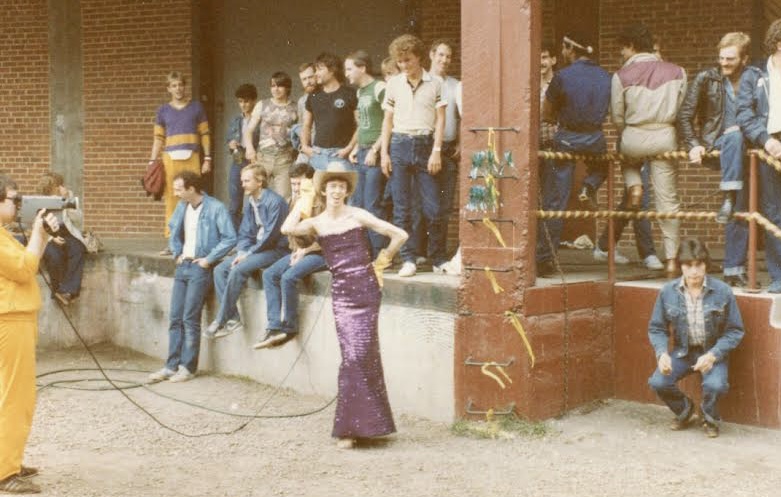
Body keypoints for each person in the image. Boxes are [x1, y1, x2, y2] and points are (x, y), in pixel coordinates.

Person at [281, 162, 408, 448]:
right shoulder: (317, 222)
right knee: (352, 357)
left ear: (347, 190)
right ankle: (358, 427)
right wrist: (305, 197)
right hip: (342, 293)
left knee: (363, 355)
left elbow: (400, 235)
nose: (336, 191)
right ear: (323, 191)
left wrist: (383, 261)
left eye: (341, 186)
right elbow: (287, 228)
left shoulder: (357, 214)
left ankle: (358, 428)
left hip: (366, 288)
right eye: (331, 186)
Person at [678, 32, 755, 286]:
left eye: (730, 59)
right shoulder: (706, 78)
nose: (724, 63)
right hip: (719, 145)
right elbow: (685, 115)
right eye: (721, 58)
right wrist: (693, 144)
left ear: (744, 58)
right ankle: (729, 197)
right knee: (733, 134)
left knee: (742, 207)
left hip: (751, 150)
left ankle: (733, 268)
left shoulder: (755, 78)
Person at [647, 238, 744, 438]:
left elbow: (735, 331)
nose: (694, 271)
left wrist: (714, 355)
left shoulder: (723, 291)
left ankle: (709, 418)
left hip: (712, 352)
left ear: (705, 265)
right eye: (688, 265)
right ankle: (685, 411)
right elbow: (657, 328)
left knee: (715, 385)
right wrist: (661, 353)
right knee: (658, 382)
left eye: (698, 265)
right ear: (680, 266)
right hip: (684, 352)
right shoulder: (667, 292)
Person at [611, 23, 687, 278]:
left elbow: (617, 117)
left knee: (626, 157)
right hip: (665, 135)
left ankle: (634, 185)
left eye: (623, 48)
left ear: (631, 46)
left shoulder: (621, 75)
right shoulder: (677, 72)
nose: (621, 53)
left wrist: (630, 132)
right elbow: (681, 110)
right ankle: (672, 260)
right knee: (668, 200)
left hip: (634, 135)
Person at [148, 171, 236, 383]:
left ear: (191, 189)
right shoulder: (182, 207)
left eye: (179, 189)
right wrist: (177, 252)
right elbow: (173, 230)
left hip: (200, 267)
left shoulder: (216, 207)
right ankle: (171, 366)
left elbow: (230, 238)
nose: (176, 193)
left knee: (190, 318)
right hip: (183, 265)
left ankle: (188, 367)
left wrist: (208, 259)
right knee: (175, 318)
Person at [0, 176, 58, 494]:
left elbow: (28, 262)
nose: (17, 203)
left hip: (16, 318)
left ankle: (8, 458)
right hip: (9, 320)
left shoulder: (4, 235)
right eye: (12, 198)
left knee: (15, 395)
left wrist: (44, 236)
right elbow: (23, 270)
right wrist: (37, 232)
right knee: (14, 396)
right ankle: (5, 471)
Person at [536, 32, 611, 277]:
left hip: (567, 139)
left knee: (555, 201)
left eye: (565, 48)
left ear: (570, 48)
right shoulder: (604, 76)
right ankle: (590, 185)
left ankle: (545, 259)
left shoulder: (561, 77)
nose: (564, 52)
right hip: (595, 138)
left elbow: (546, 114)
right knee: (602, 167)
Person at [381, 33, 448, 277]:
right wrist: (384, 154)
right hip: (399, 144)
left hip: (424, 144)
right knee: (401, 207)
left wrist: (436, 151)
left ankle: (438, 258)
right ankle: (407, 258)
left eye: (408, 60)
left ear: (419, 57)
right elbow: (387, 121)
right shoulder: (394, 84)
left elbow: (441, 120)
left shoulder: (435, 83)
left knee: (434, 207)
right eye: (400, 62)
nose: (404, 66)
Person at [205, 165, 289, 338]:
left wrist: (247, 254)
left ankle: (220, 320)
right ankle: (233, 319)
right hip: (256, 249)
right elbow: (245, 232)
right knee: (220, 270)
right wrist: (242, 250)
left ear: (259, 182)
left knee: (238, 269)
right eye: (242, 180)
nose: (242, 184)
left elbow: (271, 236)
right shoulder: (251, 202)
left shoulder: (275, 202)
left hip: (277, 249)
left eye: (247, 180)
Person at [255, 162, 328, 349]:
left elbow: (328, 237)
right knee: (269, 274)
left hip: (323, 253)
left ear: (312, 183)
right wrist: (297, 251)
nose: (296, 189)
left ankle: (290, 327)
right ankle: (274, 326)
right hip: (302, 252)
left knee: (288, 277)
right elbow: (289, 233)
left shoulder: (323, 202)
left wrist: (304, 251)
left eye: (301, 184)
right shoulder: (294, 201)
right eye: (293, 184)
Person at [737, 19, 781, 293]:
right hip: (768, 146)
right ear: (779, 44)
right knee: (773, 211)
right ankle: (779, 276)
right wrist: (766, 140)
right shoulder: (754, 74)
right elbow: (744, 113)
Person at [149, 71, 212, 250]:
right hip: (170, 159)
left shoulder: (196, 107)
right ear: (169, 88)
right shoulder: (163, 110)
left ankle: (195, 241)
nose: (178, 89)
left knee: (194, 196)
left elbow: (205, 134)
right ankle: (172, 242)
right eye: (174, 85)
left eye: (181, 85)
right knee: (172, 198)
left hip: (192, 157)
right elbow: (158, 138)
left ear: (185, 86)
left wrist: (207, 158)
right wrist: (152, 161)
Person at [345, 50, 388, 256]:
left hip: (375, 153)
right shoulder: (360, 92)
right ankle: (366, 252)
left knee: (372, 204)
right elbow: (362, 123)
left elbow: (390, 121)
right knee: (359, 204)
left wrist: (375, 149)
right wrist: (355, 147)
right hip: (361, 152)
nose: (347, 74)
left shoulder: (379, 87)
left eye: (349, 69)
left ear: (362, 68)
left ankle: (381, 252)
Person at [592, 165, 664, 270]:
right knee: (640, 199)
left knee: (629, 203)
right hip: (635, 154)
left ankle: (604, 247)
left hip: (646, 154)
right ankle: (648, 254)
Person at [244, 72, 298, 200]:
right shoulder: (262, 104)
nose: (276, 89)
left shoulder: (295, 107)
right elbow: (248, 130)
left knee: (284, 199)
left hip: (285, 160)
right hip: (263, 158)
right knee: (257, 195)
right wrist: (249, 148)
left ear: (288, 88)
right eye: (273, 86)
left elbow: (302, 132)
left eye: (280, 86)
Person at [301, 52, 358, 171]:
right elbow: (306, 125)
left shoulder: (350, 94)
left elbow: (360, 125)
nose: (316, 74)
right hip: (318, 154)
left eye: (319, 70)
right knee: (317, 189)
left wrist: (349, 148)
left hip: (341, 155)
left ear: (332, 70)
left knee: (341, 189)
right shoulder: (313, 96)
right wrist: (305, 147)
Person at [38, 172, 87, 306]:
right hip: (47, 235)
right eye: (57, 186)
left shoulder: (67, 197)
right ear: (49, 188)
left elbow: (78, 220)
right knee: (54, 255)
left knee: (78, 249)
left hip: (66, 233)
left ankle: (67, 291)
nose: (60, 188)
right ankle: (59, 289)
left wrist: (67, 201)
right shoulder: (39, 201)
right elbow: (34, 226)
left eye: (60, 186)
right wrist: (50, 238)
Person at [226, 83, 259, 230]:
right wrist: (231, 144)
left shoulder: (259, 119)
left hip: (254, 161)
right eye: (240, 101)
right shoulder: (236, 120)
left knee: (254, 200)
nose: (243, 105)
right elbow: (228, 140)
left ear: (253, 101)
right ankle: (236, 236)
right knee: (234, 202)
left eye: (246, 101)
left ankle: (252, 233)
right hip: (238, 160)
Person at [291, 62, 320, 165]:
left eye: (310, 77)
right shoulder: (302, 101)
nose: (308, 82)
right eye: (304, 79)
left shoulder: (326, 95)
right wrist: (304, 147)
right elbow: (302, 126)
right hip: (308, 149)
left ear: (317, 75)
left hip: (323, 149)